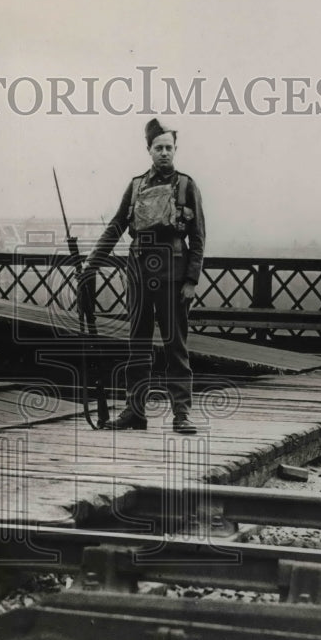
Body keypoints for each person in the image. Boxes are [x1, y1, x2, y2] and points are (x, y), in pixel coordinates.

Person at [80, 118, 206, 433]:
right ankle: (135, 413)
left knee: (175, 346)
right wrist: (92, 263)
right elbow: (116, 226)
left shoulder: (187, 186)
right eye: (158, 147)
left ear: (175, 150)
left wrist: (191, 280)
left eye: (169, 147)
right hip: (138, 273)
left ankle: (182, 414)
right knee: (137, 344)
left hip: (174, 275)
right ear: (148, 150)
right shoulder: (136, 185)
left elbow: (199, 237)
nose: (164, 153)